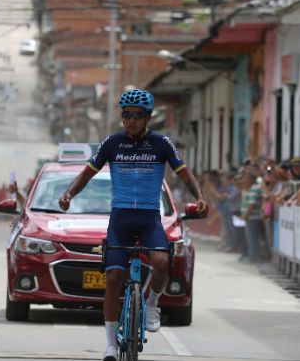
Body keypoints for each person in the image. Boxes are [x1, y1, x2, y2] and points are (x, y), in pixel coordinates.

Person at [58, 89, 209, 361]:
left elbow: (185, 174)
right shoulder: (112, 143)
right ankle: (111, 347)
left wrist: (199, 197)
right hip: (121, 218)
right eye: (126, 115)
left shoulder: (161, 143)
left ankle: (151, 304)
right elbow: (86, 174)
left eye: (136, 116)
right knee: (114, 279)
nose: (130, 120)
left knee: (163, 263)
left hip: (150, 217)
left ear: (148, 117)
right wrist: (69, 194)